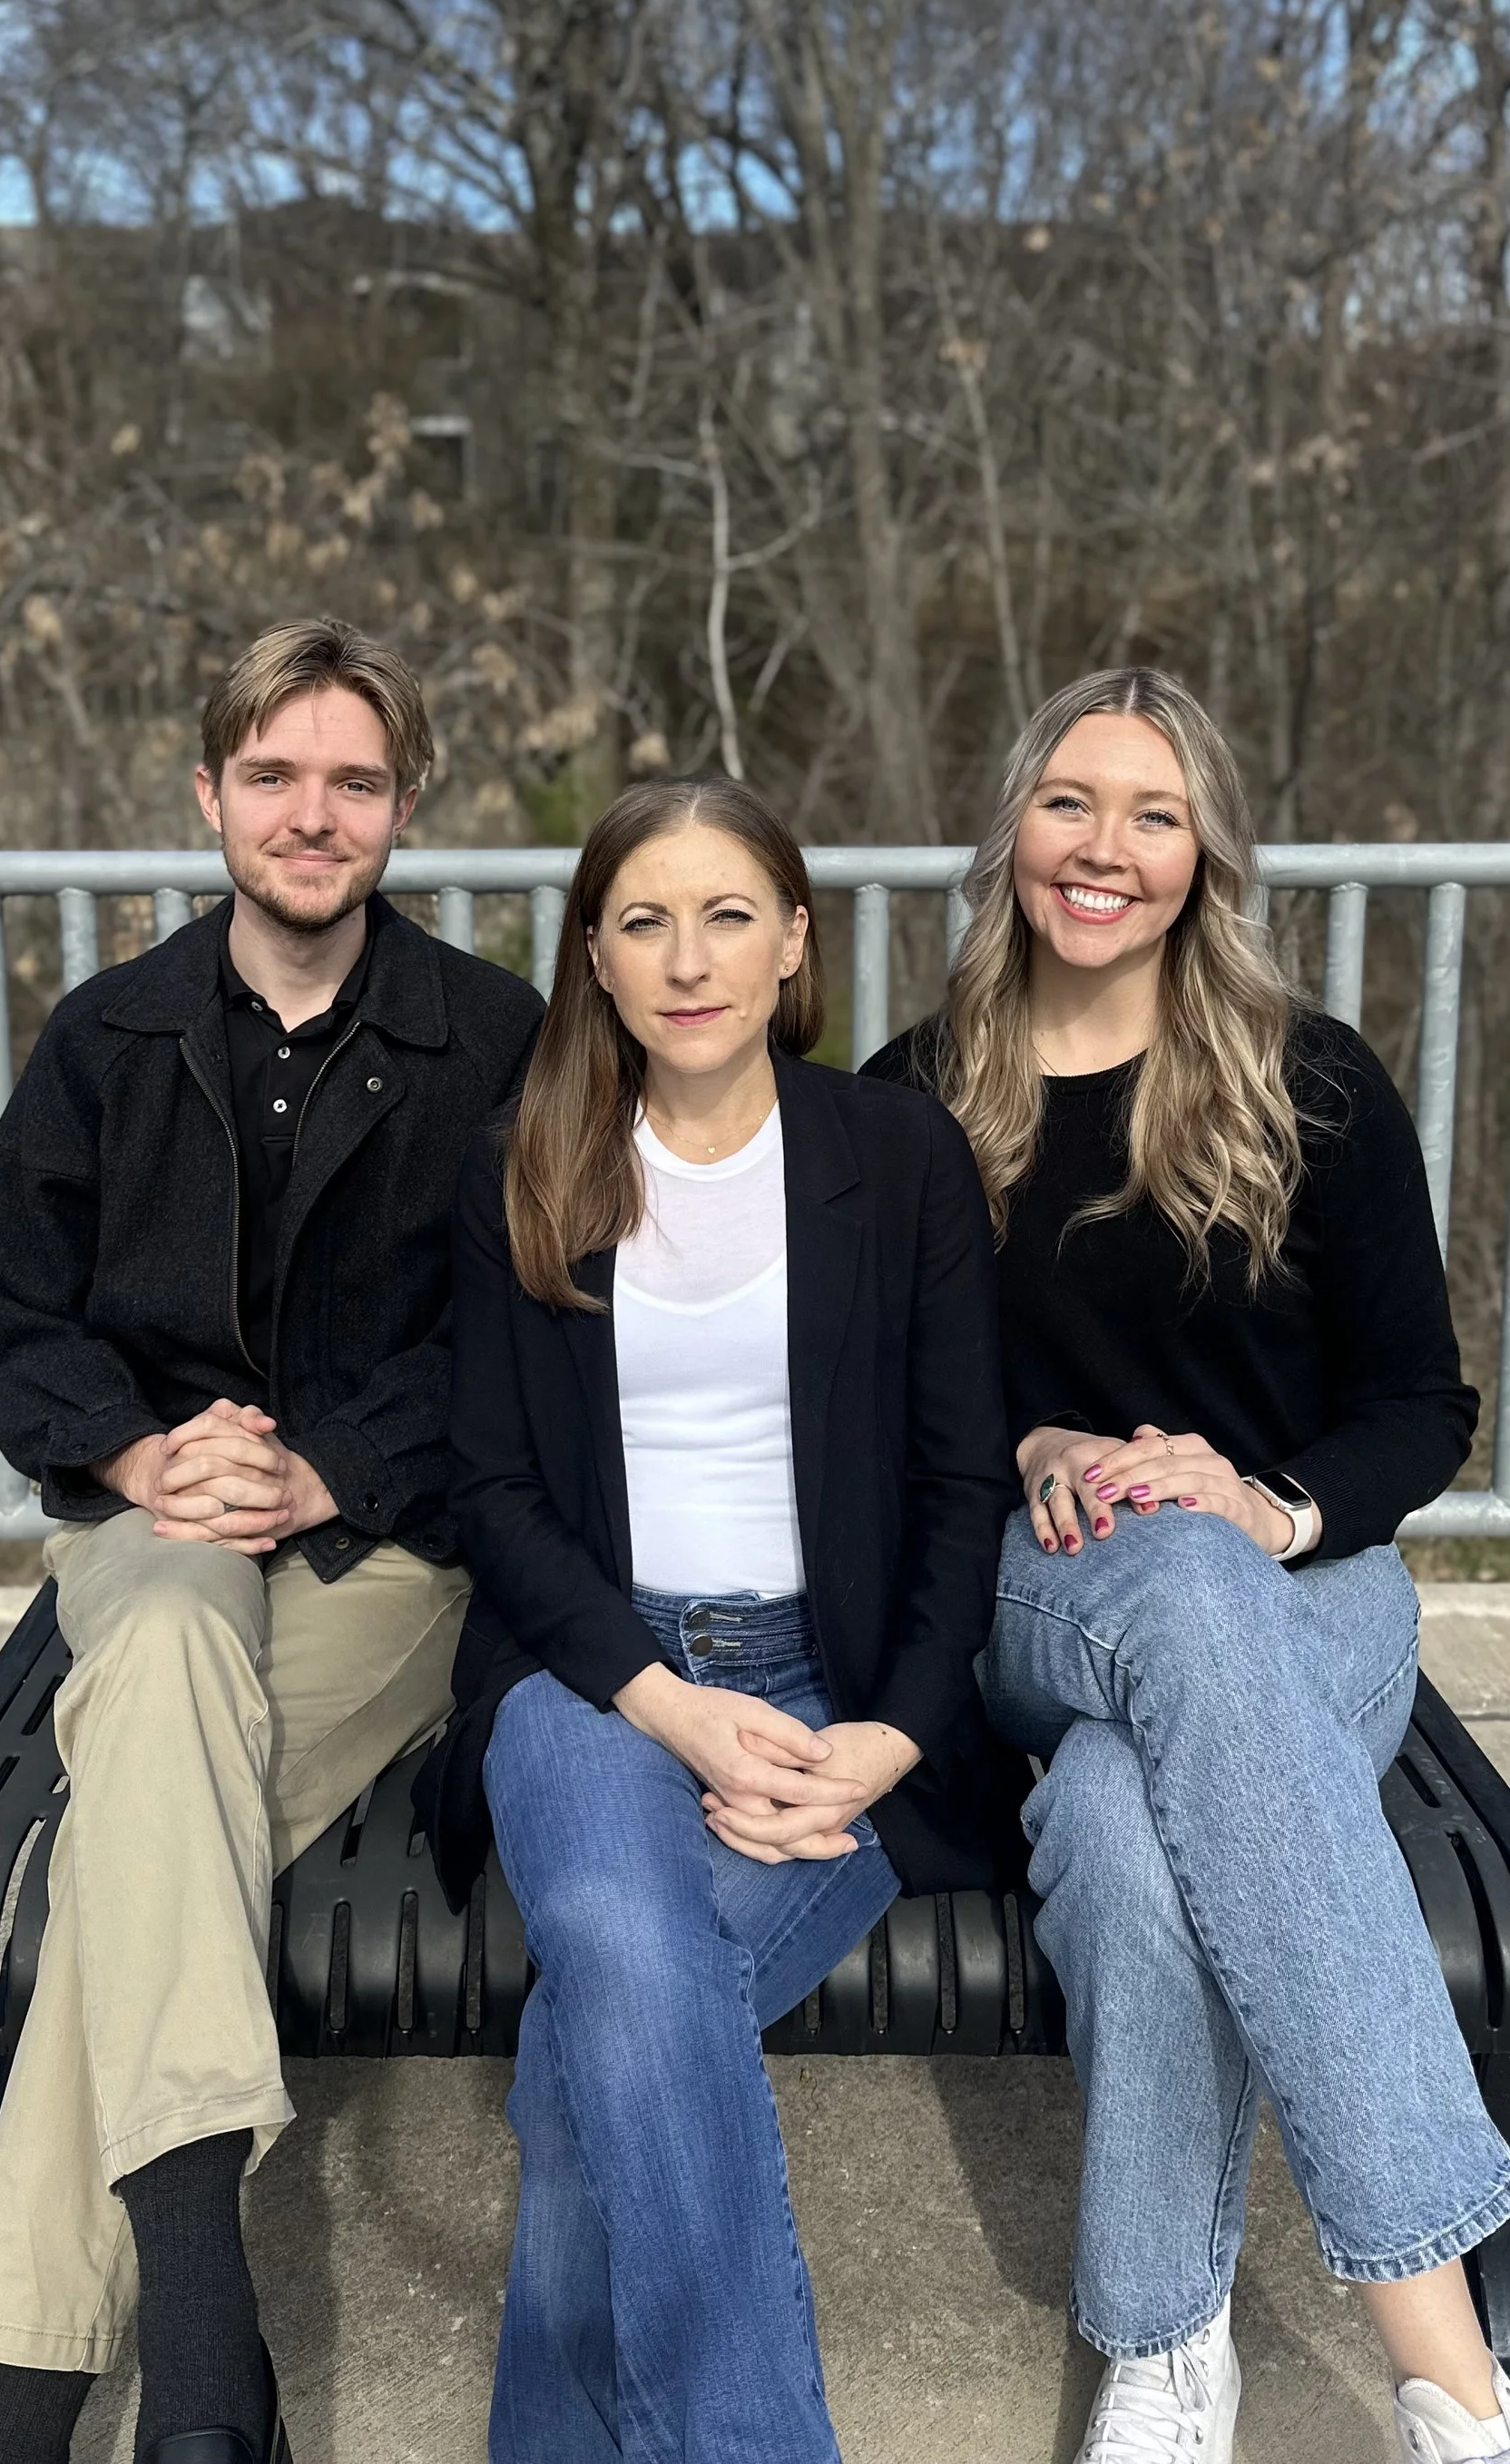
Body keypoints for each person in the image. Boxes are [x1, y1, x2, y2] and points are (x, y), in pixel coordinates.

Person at [866, 666, 1510, 2464]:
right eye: (1067, 803)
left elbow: (1419, 1406)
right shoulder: (912, 1098)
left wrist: (1270, 1506)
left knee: (1115, 1821)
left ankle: (1166, 2353)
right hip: (1045, 1581)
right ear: (1009, 828)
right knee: (1166, 1590)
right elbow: (869, 1413)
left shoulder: (1309, 1084)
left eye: (1151, 812)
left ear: (1206, 855)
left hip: (1305, 1589)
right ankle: (1457, 2383)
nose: (1102, 849)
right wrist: (1025, 1445)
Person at [0, 619, 544, 2464]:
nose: (311, 812)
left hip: (386, 1557)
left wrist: (325, 1471)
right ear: (207, 795)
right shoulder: (109, 1035)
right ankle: (204, 2357)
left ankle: (34, 2403)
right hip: (150, 1528)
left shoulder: (487, 1038)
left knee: (141, 1827)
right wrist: (136, 1451)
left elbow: (516, 1341)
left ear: (402, 806)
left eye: (352, 779)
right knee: (181, 1627)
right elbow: (6, 1307)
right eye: (272, 775)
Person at [414, 774, 1019, 2464]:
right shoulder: (527, 1166)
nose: (690, 958)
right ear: (595, 960)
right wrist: (664, 1702)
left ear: (795, 943)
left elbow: (964, 1484)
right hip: (585, 1676)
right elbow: (494, 1496)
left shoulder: (895, 1159)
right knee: (620, 1944)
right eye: (644, 921)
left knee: (594, 2046)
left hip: (837, 1688)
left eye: (729, 913)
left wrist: (883, 1743)